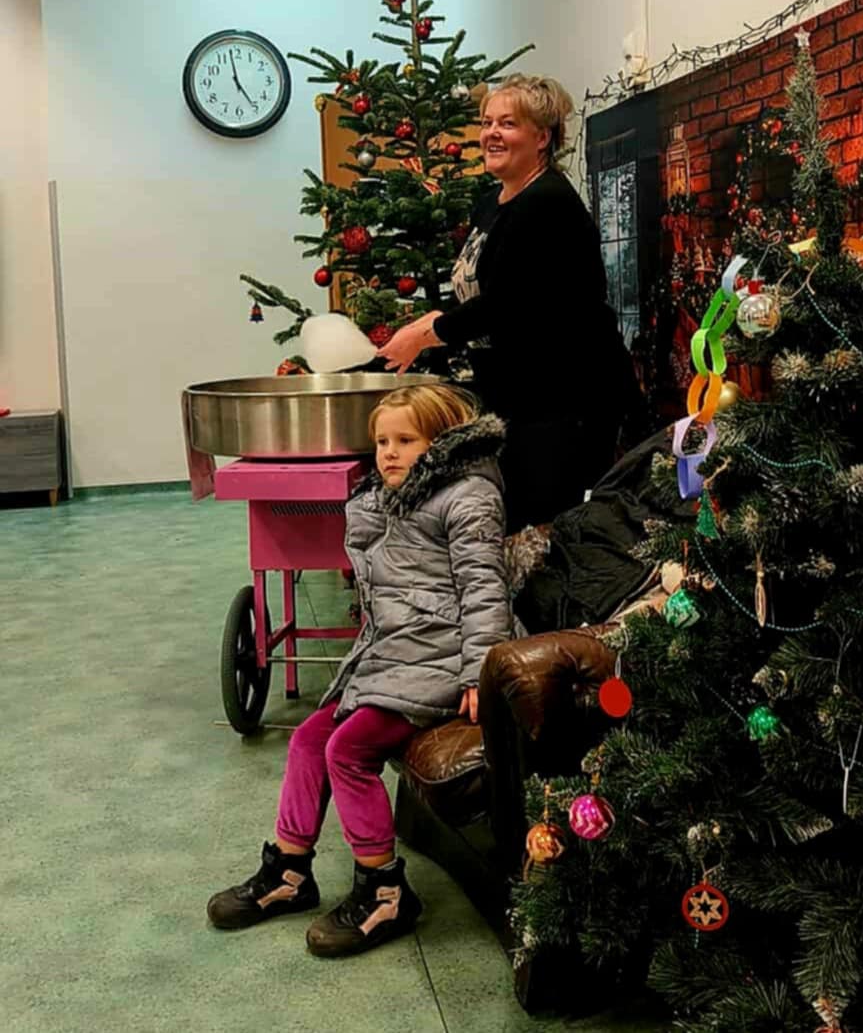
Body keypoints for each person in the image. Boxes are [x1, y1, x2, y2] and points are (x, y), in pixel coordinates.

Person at [206, 384, 510, 958]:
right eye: (381, 442)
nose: (389, 453)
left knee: (348, 750)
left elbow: (485, 590)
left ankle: (385, 892)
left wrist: (479, 674)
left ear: (441, 443)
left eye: (405, 440)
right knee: (307, 739)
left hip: (443, 660)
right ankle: (290, 871)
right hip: (391, 656)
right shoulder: (384, 500)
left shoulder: (467, 498)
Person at [381, 73, 644, 533]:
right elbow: (480, 287)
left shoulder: (548, 204)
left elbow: (507, 304)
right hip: (516, 399)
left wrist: (427, 335)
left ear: (542, 137)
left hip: (565, 401)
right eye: (487, 123)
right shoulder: (493, 203)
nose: (491, 134)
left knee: (542, 531)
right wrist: (435, 319)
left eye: (508, 123)